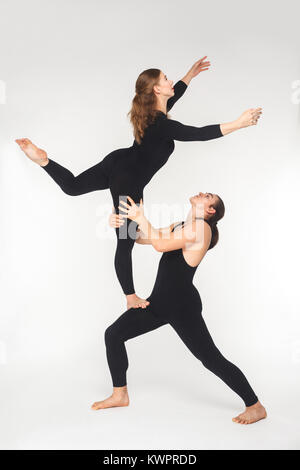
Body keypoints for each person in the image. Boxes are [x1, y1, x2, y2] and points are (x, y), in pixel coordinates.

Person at [15, 57, 262, 310]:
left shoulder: (153, 115)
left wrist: (189, 76)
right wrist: (239, 124)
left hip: (118, 162)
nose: (170, 81)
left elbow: (173, 98)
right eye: (166, 79)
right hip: (128, 180)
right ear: (156, 89)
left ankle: (43, 161)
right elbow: (197, 133)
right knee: (126, 241)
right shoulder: (161, 124)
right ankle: (130, 297)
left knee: (73, 186)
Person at [91, 194, 267, 425]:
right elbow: (144, 238)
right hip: (159, 304)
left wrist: (140, 217)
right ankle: (120, 394)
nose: (203, 193)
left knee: (211, 359)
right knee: (113, 334)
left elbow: (160, 245)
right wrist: (122, 225)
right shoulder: (181, 225)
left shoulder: (203, 229)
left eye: (208, 196)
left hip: (182, 306)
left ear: (211, 210)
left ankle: (255, 406)